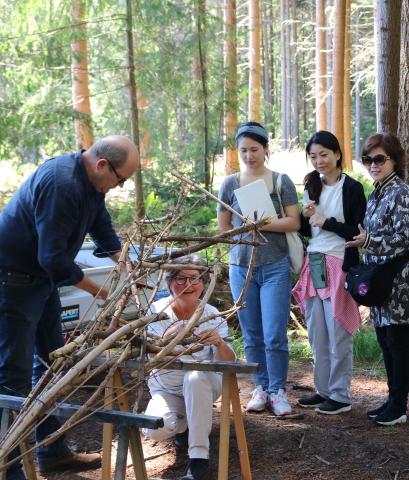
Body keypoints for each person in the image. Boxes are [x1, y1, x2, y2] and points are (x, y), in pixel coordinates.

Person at [0, 136, 139, 479]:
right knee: (12, 379)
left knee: (52, 365)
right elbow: (52, 259)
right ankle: (6, 468)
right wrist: (100, 291)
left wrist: (127, 264)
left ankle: (51, 452)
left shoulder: (93, 184)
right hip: (10, 280)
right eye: (122, 179)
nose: (121, 186)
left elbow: (102, 227)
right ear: (102, 165)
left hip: (38, 279)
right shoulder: (62, 183)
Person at [216, 122, 301, 416]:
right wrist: (245, 229)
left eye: (255, 149)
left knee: (275, 332)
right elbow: (224, 228)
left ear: (266, 149)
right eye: (243, 150)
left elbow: (294, 222)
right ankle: (260, 387)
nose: (249, 156)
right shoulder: (230, 183)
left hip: (275, 264)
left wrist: (260, 223)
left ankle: (278, 390)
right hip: (241, 266)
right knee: (252, 333)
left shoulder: (281, 181)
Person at [347, 133, 409, 426]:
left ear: (394, 159)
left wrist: (369, 241)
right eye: (368, 160)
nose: (373, 165)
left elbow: (407, 238)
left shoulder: (401, 193)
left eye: (380, 159)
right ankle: (392, 399)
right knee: (383, 338)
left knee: (397, 339)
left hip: (399, 276)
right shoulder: (376, 191)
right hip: (378, 277)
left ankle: (400, 406)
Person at [292, 131, 366, 415]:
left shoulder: (353, 188)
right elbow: (306, 230)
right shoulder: (312, 185)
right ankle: (322, 390)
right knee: (316, 332)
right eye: (313, 156)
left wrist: (327, 221)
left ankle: (340, 394)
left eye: (324, 154)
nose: (319, 161)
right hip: (315, 263)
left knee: (338, 331)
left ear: (337, 154)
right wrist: (305, 215)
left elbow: (358, 232)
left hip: (339, 263)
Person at [143, 254, 236, 480]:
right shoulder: (156, 311)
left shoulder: (212, 314)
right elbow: (149, 353)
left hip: (203, 384)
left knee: (195, 378)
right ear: (169, 282)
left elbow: (229, 362)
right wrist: (170, 335)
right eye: (181, 279)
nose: (188, 285)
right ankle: (189, 424)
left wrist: (219, 342)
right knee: (155, 430)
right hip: (166, 388)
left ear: (204, 283)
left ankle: (198, 459)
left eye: (195, 279)